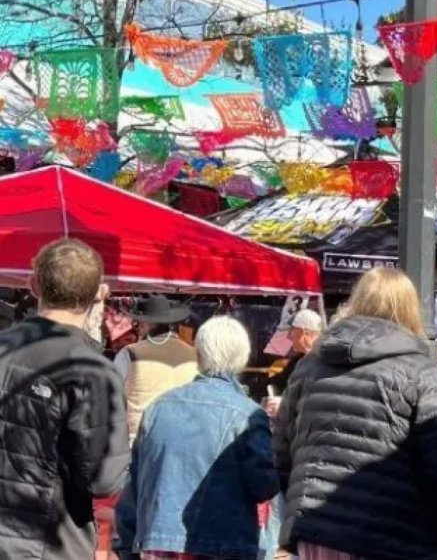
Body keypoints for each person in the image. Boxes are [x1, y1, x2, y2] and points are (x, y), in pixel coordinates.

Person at [275, 268, 437, 559]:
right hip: (392, 534)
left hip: (316, 533)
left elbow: (281, 454)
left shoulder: (309, 366)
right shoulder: (422, 373)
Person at [0, 239, 129, 560]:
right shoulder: (92, 371)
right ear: (100, 293)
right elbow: (105, 479)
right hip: (48, 540)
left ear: (33, 285)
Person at [115, 316, 279, 559]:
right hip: (222, 543)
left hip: (160, 544)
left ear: (199, 355)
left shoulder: (158, 408)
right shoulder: (248, 415)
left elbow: (136, 485)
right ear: (242, 359)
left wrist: (127, 546)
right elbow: (264, 486)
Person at [114, 294, 198, 440]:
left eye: (139, 322)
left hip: (139, 437)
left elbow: (112, 394)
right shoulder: (194, 354)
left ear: (148, 324)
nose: (137, 327)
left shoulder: (130, 353)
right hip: (183, 436)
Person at [268, 308, 324, 395]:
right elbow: (278, 383)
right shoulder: (298, 360)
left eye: (291, 332)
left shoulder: (325, 360)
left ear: (301, 332)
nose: (289, 337)